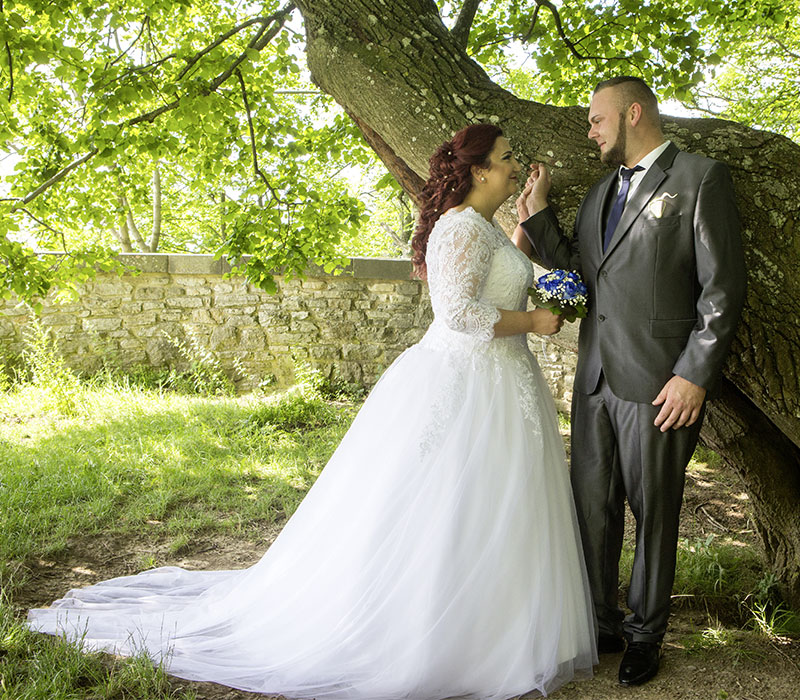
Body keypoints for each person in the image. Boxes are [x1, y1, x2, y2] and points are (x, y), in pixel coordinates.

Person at [28, 124, 597, 700]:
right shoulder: (457, 229)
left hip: (504, 381)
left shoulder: (484, 228)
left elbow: (500, 276)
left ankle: (497, 623)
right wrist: (533, 322)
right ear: (479, 171)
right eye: (505, 159)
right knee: (455, 500)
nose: (512, 165)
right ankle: (436, 629)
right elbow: (458, 315)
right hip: (470, 382)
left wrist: (529, 221)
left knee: (501, 501)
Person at [514, 76, 746, 687]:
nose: (589, 131)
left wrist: (693, 375)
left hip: (660, 385)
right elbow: (582, 276)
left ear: (632, 112)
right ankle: (601, 622)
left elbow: (722, 290)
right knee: (592, 509)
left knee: (655, 511)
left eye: (596, 119)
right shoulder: (598, 195)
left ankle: (646, 635)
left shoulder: (700, 179)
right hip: (594, 380)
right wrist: (538, 219)